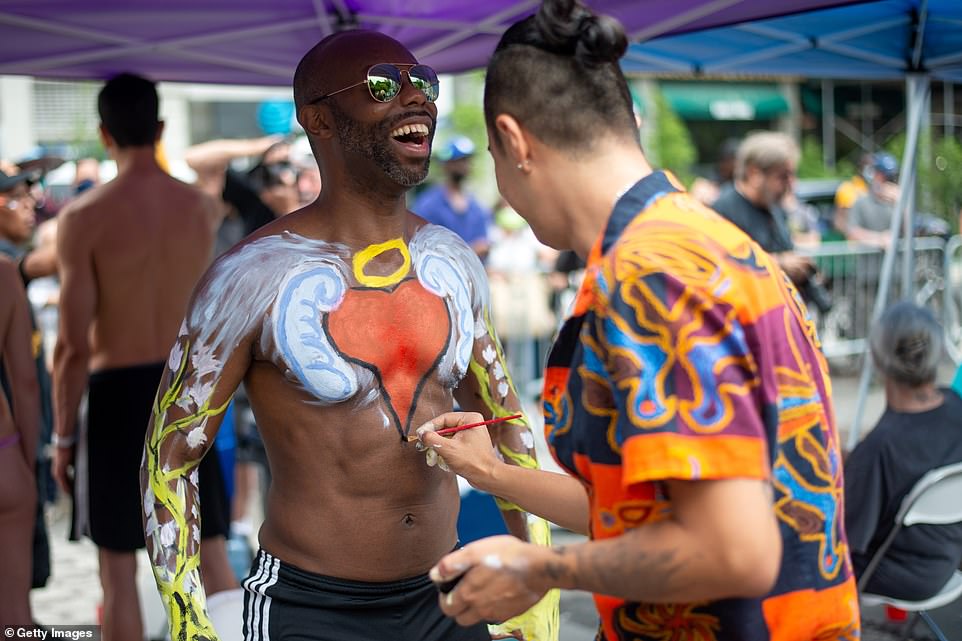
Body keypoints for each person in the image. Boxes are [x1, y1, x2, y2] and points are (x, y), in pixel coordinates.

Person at [417, 1, 861, 639]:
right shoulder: (706, 243)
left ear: (515, 144)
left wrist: (542, 566)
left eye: (493, 156)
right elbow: (645, 513)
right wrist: (492, 473)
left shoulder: (651, 275)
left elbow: (735, 552)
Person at [141, 31, 556, 641]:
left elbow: (508, 422)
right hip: (309, 609)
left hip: (448, 594)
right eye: (385, 86)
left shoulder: (451, 261)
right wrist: (187, 621)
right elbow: (171, 456)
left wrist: (537, 594)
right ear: (319, 119)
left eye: (425, 84)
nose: (417, 100)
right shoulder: (251, 276)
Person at [51, 72, 236, 641]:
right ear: (157, 128)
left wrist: (61, 438)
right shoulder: (200, 210)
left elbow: (73, 345)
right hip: (187, 387)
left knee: (118, 568)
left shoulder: (83, 219)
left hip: (117, 396)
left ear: (104, 135)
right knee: (210, 551)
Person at [844, 302, 962, 600]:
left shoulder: (878, 451)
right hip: (947, 562)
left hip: (898, 576)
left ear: (877, 359)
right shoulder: (956, 407)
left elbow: (844, 539)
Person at [0, 168, 54, 593]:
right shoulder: (6, 272)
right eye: (18, 197)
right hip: (9, 449)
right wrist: (29, 453)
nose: (30, 207)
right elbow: (25, 380)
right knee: (14, 603)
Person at [711, 132, 831, 313]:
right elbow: (720, 267)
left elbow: (783, 247)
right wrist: (778, 264)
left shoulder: (773, 207)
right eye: (783, 176)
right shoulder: (723, 210)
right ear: (754, 173)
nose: (791, 184)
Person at [0, 256, 40, 627]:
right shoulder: (5, 271)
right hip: (5, 457)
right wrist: (26, 464)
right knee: (15, 622)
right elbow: (26, 385)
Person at [412, 135, 493, 259]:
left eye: (467, 160)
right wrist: (469, 251)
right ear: (446, 164)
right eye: (460, 160)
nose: (466, 165)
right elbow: (421, 249)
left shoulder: (477, 207)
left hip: (472, 277)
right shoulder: (429, 205)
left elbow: (484, 243)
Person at [846, 152, 900, 248]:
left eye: (891, 178)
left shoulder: (898, 203)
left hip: (897, 262)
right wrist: (879, 239)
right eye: (884, 176)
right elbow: (852, 233)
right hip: (869, 262)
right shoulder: (861, 202)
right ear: (875, 175)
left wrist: (900, 203)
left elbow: (910, 231)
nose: (888, 181)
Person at [833, 152, 873, 237]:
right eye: (869, 166)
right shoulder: (847, 189)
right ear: (860, 168)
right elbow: (840, 221)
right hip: (854, 246)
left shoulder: (876, 189)